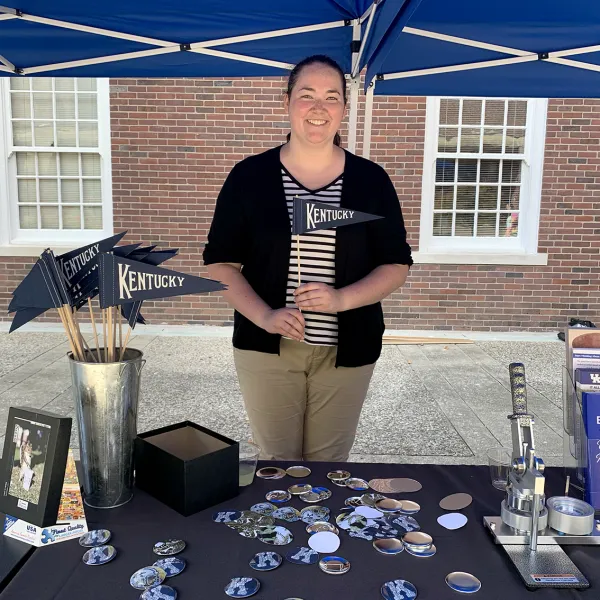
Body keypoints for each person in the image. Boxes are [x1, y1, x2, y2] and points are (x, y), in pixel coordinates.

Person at [203, 55, 413, 462]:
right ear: (287, 102)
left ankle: (320, 530)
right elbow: (220, 264)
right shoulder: (248, 178)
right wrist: (264, 315)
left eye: (332, 97)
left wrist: (339, 300)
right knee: (278, 466)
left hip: (347, 351)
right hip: (267, 348)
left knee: (327, 469)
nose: (319, 108)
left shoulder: (371, 181)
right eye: (307, 96)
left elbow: (396, 264)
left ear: (345, 110)